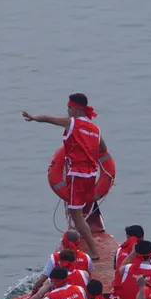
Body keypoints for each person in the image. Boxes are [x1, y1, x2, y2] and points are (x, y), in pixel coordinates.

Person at [22, 94, 110, 259]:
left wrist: (33, 117)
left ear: (77, 109)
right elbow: (103, 148)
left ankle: (93, 251)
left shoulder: (72, 122)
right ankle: (82, 237)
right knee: (78, 210)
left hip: (77, 174)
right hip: (92, 174)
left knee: (75, 213)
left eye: (69, 108)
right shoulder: (95, 129)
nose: (67, 111)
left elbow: (48, 118)